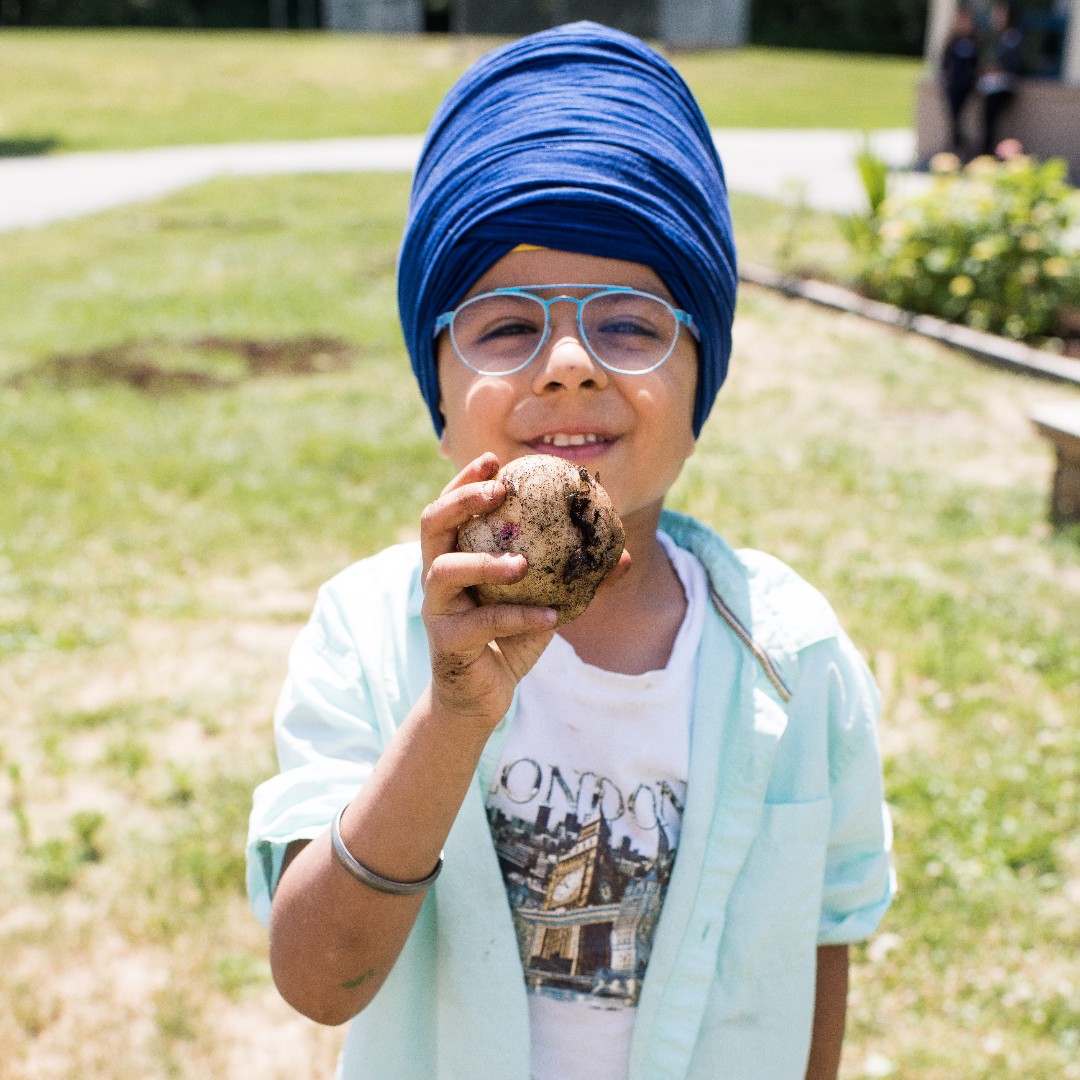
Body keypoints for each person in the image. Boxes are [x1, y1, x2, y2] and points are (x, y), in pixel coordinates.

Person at [245, 21, 895, 1080]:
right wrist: (453, 717)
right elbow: (321, 983)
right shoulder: (368, 634)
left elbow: (820, 944)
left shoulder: (797, 656)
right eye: (505, 328)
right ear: (440, 392)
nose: (567, 366)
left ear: (703, 373)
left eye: (630, 325)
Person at [978, 0, 1025, 157]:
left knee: (990, 123)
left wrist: (995, 67)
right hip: (990, 86)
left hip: (1003, 87)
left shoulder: (1012, 37)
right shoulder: (995, 37)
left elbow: (1011, 63)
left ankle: (987, 154)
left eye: (1000, 14)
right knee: (986, 122)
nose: (996, 17)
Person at [940, 6, 980, 156]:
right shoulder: (952, 41)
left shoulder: (974, 42)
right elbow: (945, 62)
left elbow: (977, 64)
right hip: (953, 84)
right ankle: (956, 146)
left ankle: (959, 146)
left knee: (960, 115)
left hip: (967, 85)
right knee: (953, 115)